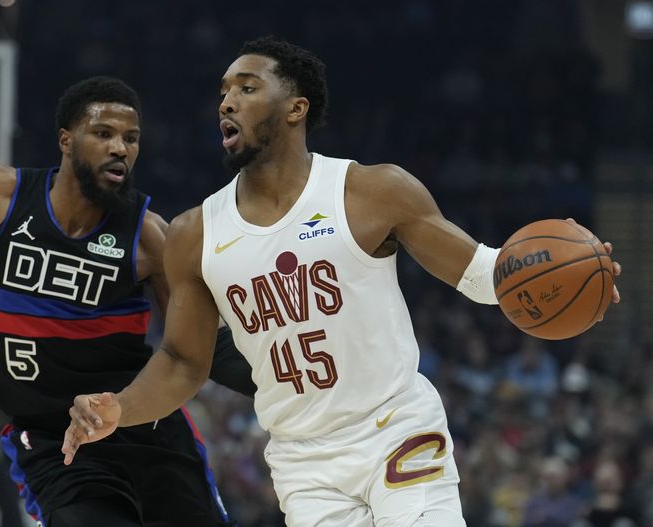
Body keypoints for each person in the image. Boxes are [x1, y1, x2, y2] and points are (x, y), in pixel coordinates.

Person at [62, 38, 621, 526]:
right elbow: (184, 361)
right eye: (223, 92)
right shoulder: (194, 234)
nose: (226, 101)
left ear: (295, 109)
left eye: (248, 87)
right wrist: (120, 407)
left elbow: (480, 273)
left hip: (395, 430)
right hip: (304, 460)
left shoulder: (372, 192)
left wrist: (574, 271)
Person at [0, 76, 257, 527]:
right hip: (53, 442)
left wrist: (288, 376)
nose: (120, 148)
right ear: (66, 140)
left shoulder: (148, 236)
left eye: (131, 138)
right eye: (103, 134)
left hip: (146, 430)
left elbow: (201, 349)